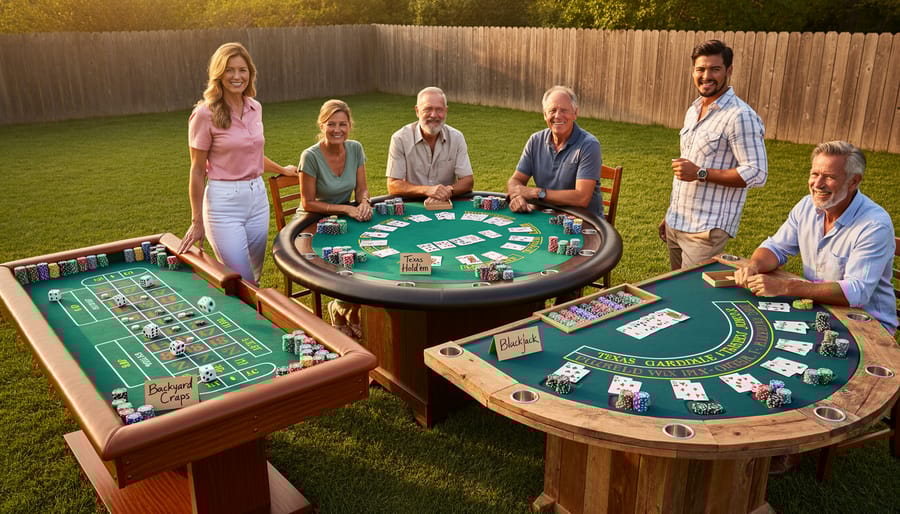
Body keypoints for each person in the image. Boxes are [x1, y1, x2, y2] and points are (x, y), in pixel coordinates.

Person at [734, 141, 897, 335]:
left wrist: (786, 287)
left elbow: (857, 291)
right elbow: (776, 247)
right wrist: (753, 266)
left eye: (829, 177)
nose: (818, 184)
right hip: (818, 310)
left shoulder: (874, 225)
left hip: (867, 325)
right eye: (815, 174)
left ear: (854, 181)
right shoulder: (806, 206)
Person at [178, 42, 297, 285]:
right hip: (224, 206)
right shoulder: (204, 114)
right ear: (219, 74)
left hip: (257, 200)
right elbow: (198, 170)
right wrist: (196, 221)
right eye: (229, 70)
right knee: (243, 281)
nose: (236, 76)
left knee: (255, 276)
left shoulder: (256, 108)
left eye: (242, 70)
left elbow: (251, 155)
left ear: (250, 74)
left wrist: (282, 170)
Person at [659, 39, 768, 271]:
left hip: (705, 231)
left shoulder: (739, 116)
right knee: (676, 295)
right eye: (700, 69)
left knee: (692, 298)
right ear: (693, 71)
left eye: (714, 69)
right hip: (678, 224)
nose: (706, 75)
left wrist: (700, 173)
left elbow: (757, 173)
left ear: (729, 71)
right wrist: (671, 216)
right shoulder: (694, 109)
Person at [298, 99, 372, 340]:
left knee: (370, 256)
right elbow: (308, 202)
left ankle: (349, 312)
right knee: (339, 263)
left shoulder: (356, 148)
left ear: (350, 126)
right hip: (311, 223)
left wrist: (363, 203)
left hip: (342, 219)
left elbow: (362, 188)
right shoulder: (309, 156)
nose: (337, 129)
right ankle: (340, 308)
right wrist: (346, 209)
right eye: (331, 124)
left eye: (343, 124)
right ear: (322, 125)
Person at [506, 85, 602, 216]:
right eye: (552, 110)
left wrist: (537, 193)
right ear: (545, 115)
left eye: (564, 110)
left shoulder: (589, 145)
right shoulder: (535, 140)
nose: (557, 116)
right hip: (546, 217)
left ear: (575, 113)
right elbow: (515, 180)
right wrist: (516, 196)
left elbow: (581, 198)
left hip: (584, 223)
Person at [386, 86, 474, 204]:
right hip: (413, 205)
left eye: (439, 109)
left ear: (446, 111)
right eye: (428, 109)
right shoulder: (400, 138)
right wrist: (427, 190)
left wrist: (448, 190)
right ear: (417, 111)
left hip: (445, 205)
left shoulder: (457, 137)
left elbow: (468, 180)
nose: (434, 115)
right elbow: (393, 185)